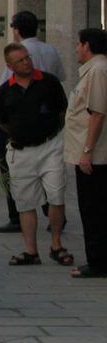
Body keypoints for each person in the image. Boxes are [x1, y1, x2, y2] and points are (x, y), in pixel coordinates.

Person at [0, 43, 71, 267]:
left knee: (56, 195)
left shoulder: (48, 82)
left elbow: (62, 111)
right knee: (25, 202)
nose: (26, 62)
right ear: (10, 66)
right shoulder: (4, 91)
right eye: (20, 60)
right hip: (21, 150)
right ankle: (31, 250)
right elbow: (3, 122)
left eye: (27, 58)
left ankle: (56, 244)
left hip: (50, 146)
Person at [0, 11, 66, 234]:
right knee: (51, 181)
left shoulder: (14, 55)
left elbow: (5, 90)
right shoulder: (51, 50)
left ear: (16, 30)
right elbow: (61, 80)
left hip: (25, 123)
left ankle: (16, 215)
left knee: (13, 173)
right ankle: (50, 211)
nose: (26, 62)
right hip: (47, 123)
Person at [65, 28, 107, 278]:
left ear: (88, 45)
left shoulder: (98, 71)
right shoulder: (94, 70)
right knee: (92, 207)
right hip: (92, 152)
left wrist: (87, 151)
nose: (76, 49)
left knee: (94, 208)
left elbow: (97, 113)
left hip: (96, 155)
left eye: (78, 44)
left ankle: (99, 261)